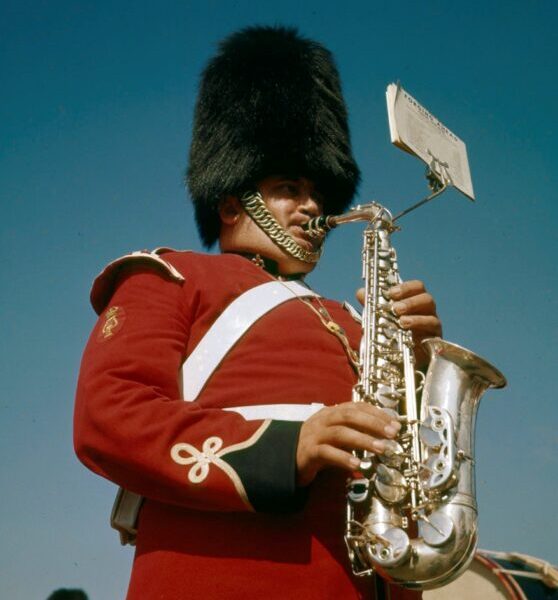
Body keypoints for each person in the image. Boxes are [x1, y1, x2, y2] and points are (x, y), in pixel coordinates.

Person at [74, 26, 441, 599]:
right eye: (289, 187)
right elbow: (108, 416)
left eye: (320, 192)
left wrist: (418, 369)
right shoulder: (168, 276)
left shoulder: (353, 319)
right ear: (229, 202)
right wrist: (286, 448)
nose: (314, 207)